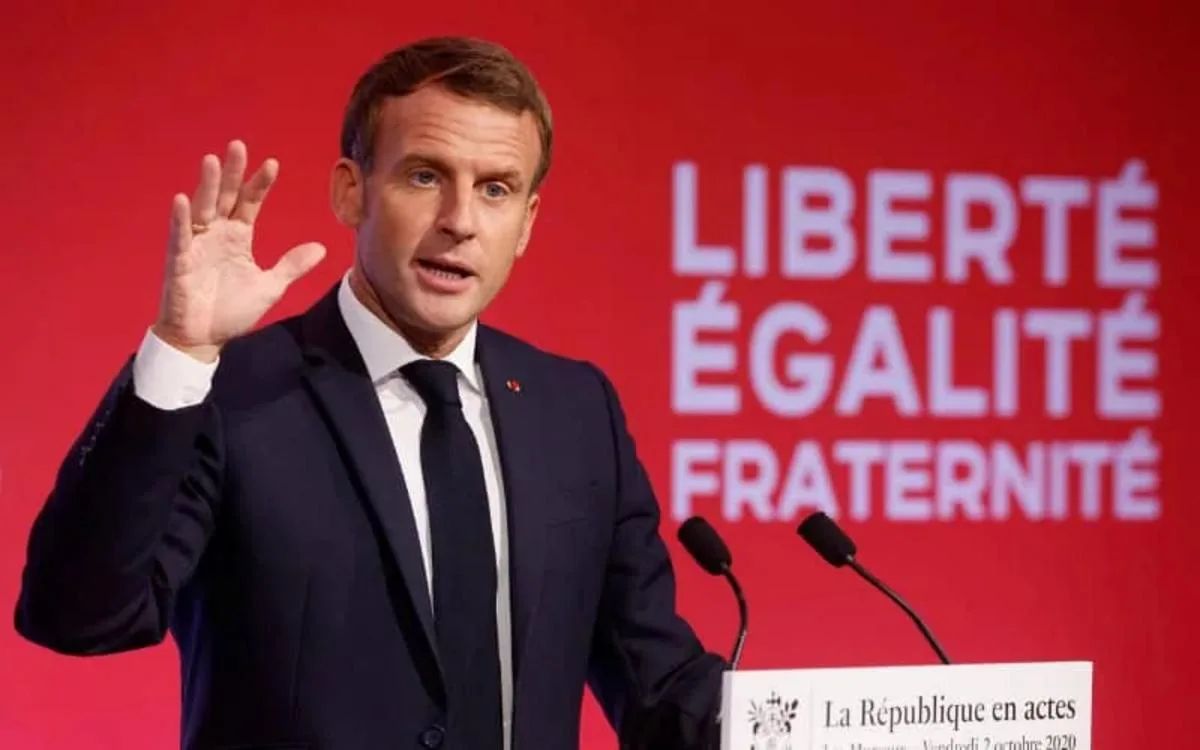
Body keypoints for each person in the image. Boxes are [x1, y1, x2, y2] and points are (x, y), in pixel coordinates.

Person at [13, 35, 725, 750]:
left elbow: (659, 687)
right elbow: (79, 615)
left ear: (527, 223)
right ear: (350, 191)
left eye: (495, 189)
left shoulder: (576, 413)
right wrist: (180, 348)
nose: (460, 220)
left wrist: (786, 721)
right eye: (425, 176)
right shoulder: (235, 394)